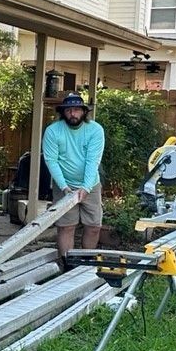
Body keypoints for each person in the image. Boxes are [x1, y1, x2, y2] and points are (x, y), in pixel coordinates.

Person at [42, 92, 106, 260]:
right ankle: (67, 266)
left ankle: (86, 264)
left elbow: (93, 161)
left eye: (77, 110)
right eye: (69, 110)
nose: (73, 114)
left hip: (91, 185)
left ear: (84, 112)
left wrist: (85, 187)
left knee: (93, 226)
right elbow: (51, 160)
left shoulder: (95, 130)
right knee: (66, 227)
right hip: (63, 185)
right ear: (63, 112)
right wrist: (64, 186)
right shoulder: (53, 131)